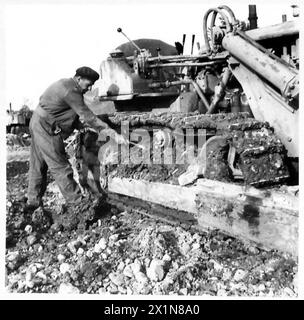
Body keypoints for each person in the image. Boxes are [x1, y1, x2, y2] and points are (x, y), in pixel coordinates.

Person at [27, 66, 127, 213]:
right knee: (60, 166)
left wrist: (80, 125)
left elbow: (61, 111)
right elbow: (88, 116)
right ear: (79, 79)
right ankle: (78, 204)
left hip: (38, 122)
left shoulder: (65, 84)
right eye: (88, 84)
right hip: (46, 127)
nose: (90, 88)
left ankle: (33, 202)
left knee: (38, 165)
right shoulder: (71, 91)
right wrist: (112, 133)